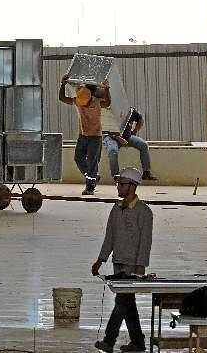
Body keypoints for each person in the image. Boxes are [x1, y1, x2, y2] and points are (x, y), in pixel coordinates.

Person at [92, 167, 153, 353]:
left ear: (133, 187)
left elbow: (145, 241)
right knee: (127, 304)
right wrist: (101, 259)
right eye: (118, 183)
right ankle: (138, 343)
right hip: (118, 262)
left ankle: (109, 342)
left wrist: (141, 265)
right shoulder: (116, 209)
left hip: (132, 266)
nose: (118, 187)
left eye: (122, 184)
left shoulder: (144, 212)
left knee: (121, 304)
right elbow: (109, 236)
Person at [59, 74, 111, 195]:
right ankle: (92, 177)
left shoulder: (97, 103)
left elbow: (107, 103)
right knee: (78, 159)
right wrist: (63, 84)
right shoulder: (79, 101)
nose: (84, 105)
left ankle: (90, 187)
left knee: (92, 161)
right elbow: (62, 98)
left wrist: (107, 89)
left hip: (95, 137)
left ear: (91, 97)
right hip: (83, 135)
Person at [103, 107, 157, 181]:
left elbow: (140, 120)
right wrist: (119, 139)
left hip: (127, 136)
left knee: (144, 145)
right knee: (113, 151)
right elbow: (106, 130)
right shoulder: (109, 110)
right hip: (111, 137)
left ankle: (146, 172)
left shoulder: (130, 110)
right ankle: (116, 176)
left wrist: (134, 131)